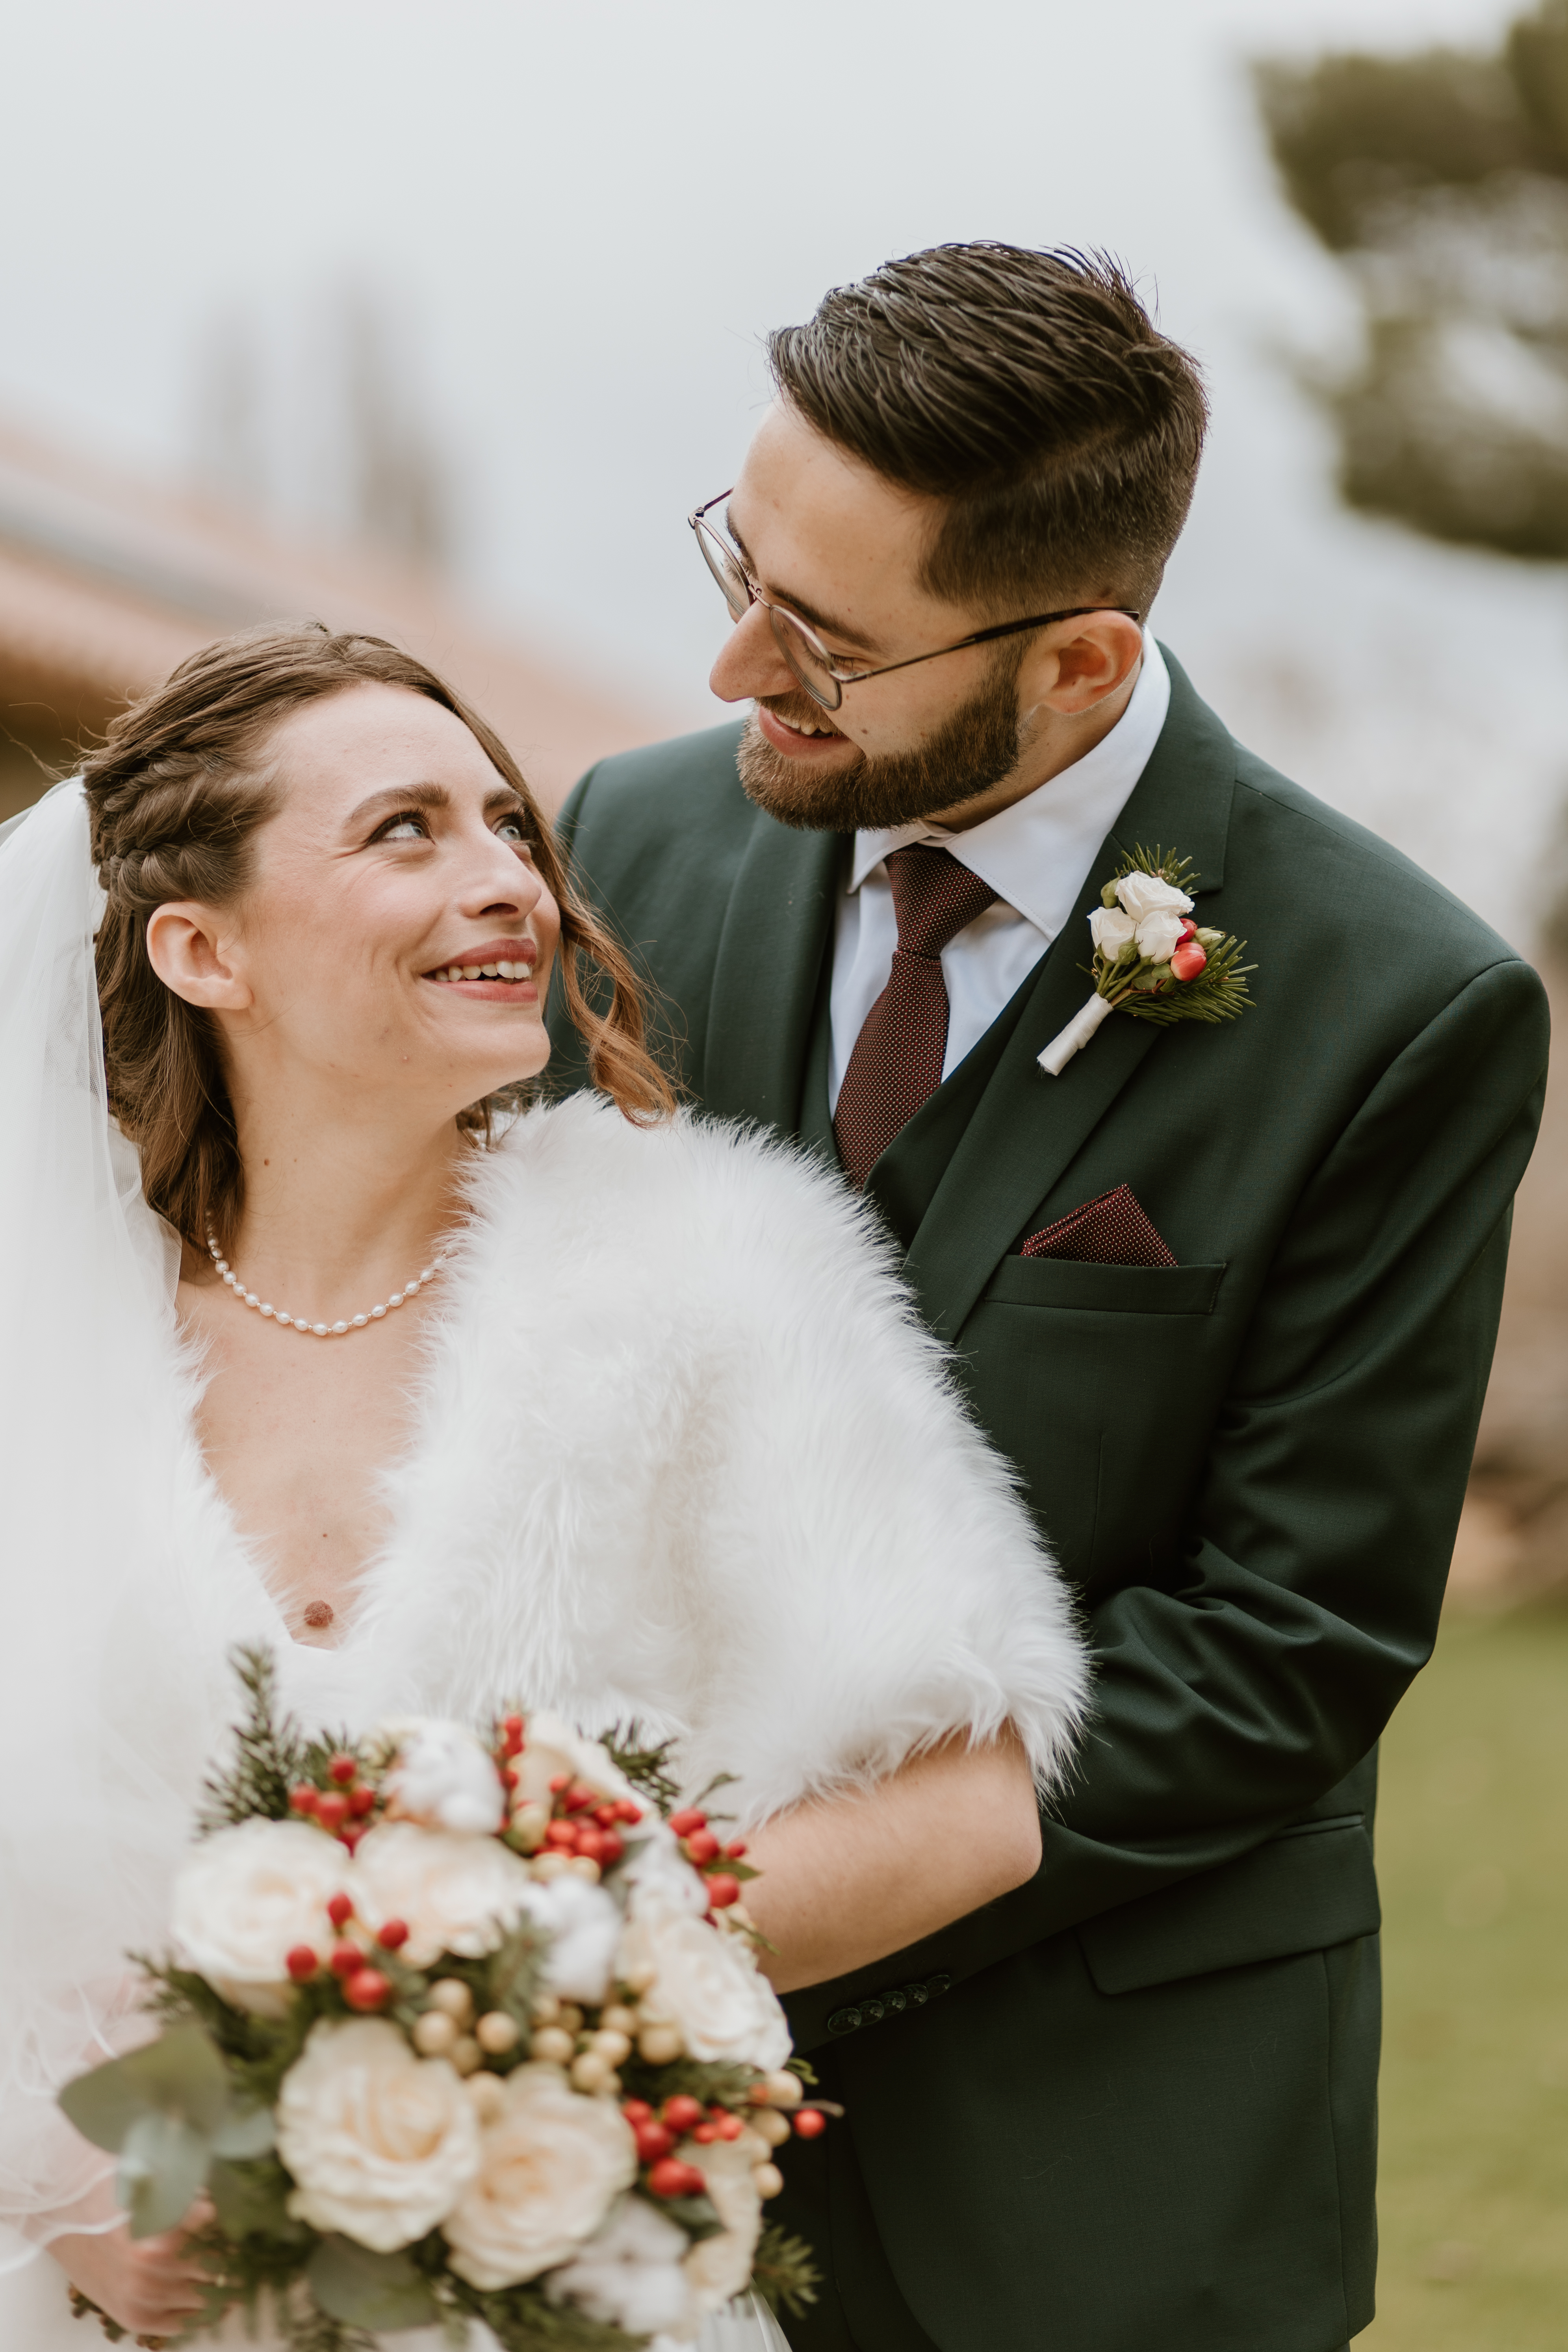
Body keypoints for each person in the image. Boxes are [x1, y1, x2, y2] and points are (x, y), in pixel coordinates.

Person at [546, 243, 1551, 2352]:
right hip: (598, 2150)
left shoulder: (1402, 1006)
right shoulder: (632, 844)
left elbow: (1286, 1646)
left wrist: (762, 1907)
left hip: (1103, 2162)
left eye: (821, 633)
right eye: (743, 556)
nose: (737, 665)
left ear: (1083, 663)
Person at [0, 625, 1087, 2349]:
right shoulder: (41, 1326)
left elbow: (968, 1798)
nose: (509, 878)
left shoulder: (708, 1261)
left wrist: (533, 1972)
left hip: (561, 2292)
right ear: (204, 949)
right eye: (406, 831)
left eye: (510, 825)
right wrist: (61, 2187)